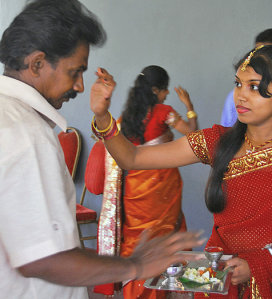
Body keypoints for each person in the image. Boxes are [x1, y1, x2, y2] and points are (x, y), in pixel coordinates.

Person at [90, 45, 272, 298]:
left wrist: (256, 266)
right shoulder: (218, 141)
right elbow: (132, 157)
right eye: (238, 84)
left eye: (254, 87)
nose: (241, 95)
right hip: (218, 279)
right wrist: (103, 116)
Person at [0, 1, 204, 298]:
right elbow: (41, 258)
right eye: (75, 72)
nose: (80, 86)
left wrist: (101, 113)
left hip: (135, 191)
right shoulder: (26, 132)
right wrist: (134, 266)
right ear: (37, 64)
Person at [94, 65, 198, 298]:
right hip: (161, 187)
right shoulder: (163, 111)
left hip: (134, 188)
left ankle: (137, 290)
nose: (167, 94)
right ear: (155, 90)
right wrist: (190, 108)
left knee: (139, 240)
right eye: (164, 90)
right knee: (164, 236)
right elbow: (193, 135)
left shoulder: (126, 116)